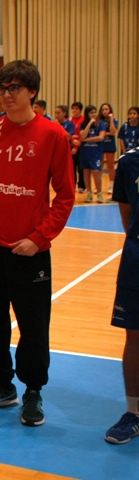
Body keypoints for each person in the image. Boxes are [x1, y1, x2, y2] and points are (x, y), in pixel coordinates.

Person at [0, 59, 74, 427]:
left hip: (29, 250)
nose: (6, 95)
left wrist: (39, 238)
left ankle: (33, 391)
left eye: (14, 88)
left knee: (34, 326)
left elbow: (65, 196)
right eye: (1, 89)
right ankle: (2, 385)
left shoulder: (53, 135)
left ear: (32, 91)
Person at [105, 144, 139, 443]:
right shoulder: (130, 163)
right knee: (135, 336)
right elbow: (128, 218)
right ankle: (134, 412)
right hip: (136, 261)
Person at [79, 104, 107, 203]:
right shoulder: (83, 124)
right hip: (85, 151)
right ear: (87, 114)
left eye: (95, 112)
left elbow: (100, 137)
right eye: (91, 113)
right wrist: (89, 123)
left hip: (96, 152)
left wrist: (87, 139)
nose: (94, 114)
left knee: (96, 172)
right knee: (86, 172)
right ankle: (89, 193)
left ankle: (99, 193)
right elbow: (82, 136)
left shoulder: (101, 124)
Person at [99, 103, 118, 195]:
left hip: (110, 144)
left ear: (110, 110)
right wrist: (106, 133)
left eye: (106, 109)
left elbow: (113, 132)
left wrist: (111, 119)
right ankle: (98, 186)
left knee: (110, 166)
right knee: (100, 166)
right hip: (101, 144)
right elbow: (99, 133)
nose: (105, 111)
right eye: (103, 110)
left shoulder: (114, 120)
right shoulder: (99, 121)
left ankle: (112, 186)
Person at [70, 101, 86, 192]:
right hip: (71, 146)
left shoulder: (84, 120)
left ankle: (82, 186)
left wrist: (77, 145)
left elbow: (83, 133)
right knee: (71, 167)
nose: (74, 110)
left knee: (81, 167)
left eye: (76, 109)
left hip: (81, 146)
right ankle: (72, 185)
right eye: (73, 108)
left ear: (80, 110)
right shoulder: (69, 120)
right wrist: (72, 141)